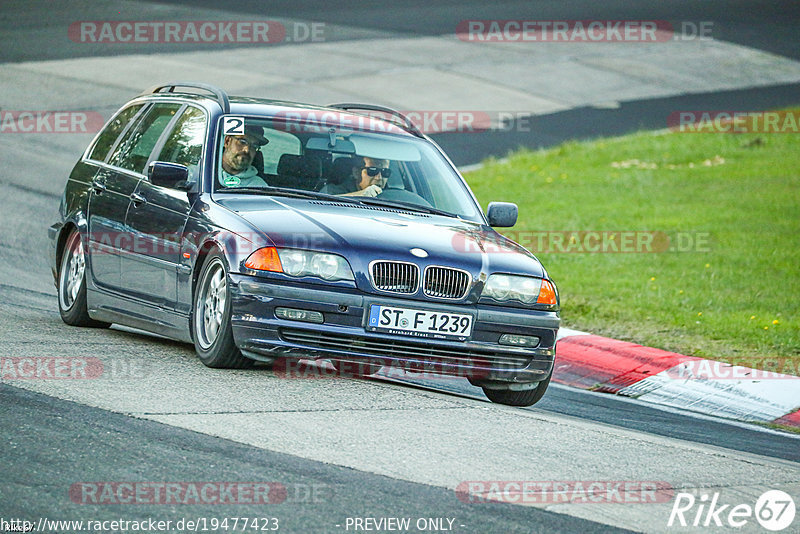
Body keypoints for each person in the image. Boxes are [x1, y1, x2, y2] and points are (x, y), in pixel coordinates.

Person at [322, 156, 391, 197]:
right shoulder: (331, 191)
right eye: (372, 171)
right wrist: (360, 195)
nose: (379, 177)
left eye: (385, 172)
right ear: (356, 173)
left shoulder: (393, 197)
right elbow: (322, 203)